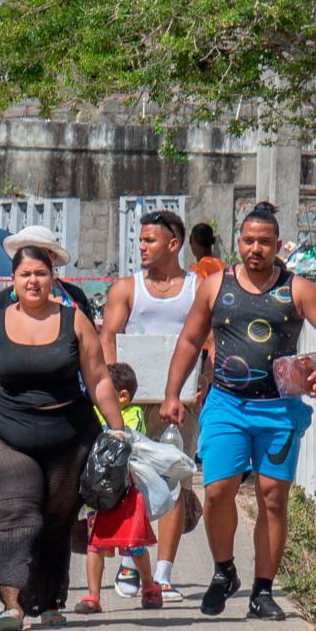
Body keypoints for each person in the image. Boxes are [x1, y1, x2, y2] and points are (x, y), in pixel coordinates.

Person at [161, 203, 316, 620]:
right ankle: (223, 570)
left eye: (264, 242)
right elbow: (190, 341)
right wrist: (172, 393)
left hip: (279, 410)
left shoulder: (297, 289)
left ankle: (262, 591)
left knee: (273, 498)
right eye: (248, 240)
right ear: (238, 242)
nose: (256, 249)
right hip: (226, 404)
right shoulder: (215, 286)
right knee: (216, 491)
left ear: (277, 245)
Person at [0, 229, 129, 631]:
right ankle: (13, 604)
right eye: (25, 274)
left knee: (56, 520)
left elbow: (98, 380)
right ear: (13, 279)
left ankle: (49, 600)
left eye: (40, 273)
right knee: (16, 517)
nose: (33, 281)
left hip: (68, 437)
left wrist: (118, 431)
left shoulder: (74, 321)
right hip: (2, 436)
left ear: (52, 276)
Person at [99, 208, 203, 602]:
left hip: (182, 402)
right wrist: (113, 390)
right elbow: (109, 336)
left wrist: (202, 379)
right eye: (140, 241)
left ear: (173, 244)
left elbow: (206, 338)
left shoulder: (198, 287)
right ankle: (130, 560)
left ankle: (163, 572)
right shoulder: (127, 288)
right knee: (133, 479)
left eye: (150, 240)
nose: (142, 247)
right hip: (133, 402)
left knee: (177, 478)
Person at [75, 363, 160, 613]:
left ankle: (149, 586)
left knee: (134, 544)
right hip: (99, 492)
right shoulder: (93, 412)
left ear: (121, 396)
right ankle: (93, 596)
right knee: (95, 543)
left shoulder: (132, 414)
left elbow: (124, 435)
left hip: (126, 494)